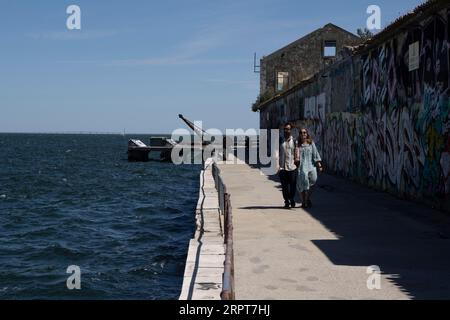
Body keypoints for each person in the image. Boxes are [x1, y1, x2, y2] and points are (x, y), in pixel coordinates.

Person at [295, 128, 323, 208]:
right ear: (299, 134)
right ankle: (304, 201)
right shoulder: (297, 144)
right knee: (304, 184)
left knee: (314, 179)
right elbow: (294, 155)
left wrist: (319, 165)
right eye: (301, 132)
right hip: (302, 166)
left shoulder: (311, 143)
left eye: (304, 132)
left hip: (311, 166)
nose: (303, 134)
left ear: (307, 134)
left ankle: (307, 198)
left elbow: (315, 154)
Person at [277, 123, 298, 209]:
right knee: (284, 186)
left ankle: (292, 198)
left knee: (293, 185)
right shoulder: (280, 140)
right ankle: (286, 201)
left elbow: (297, 152)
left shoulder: (295, 141)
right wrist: (277, 165)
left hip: (292, 166)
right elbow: (276, 153)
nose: (286, 130)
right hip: (282, 167)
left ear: (291, 130)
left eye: (288, 129)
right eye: (285, 129)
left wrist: (297, 162)